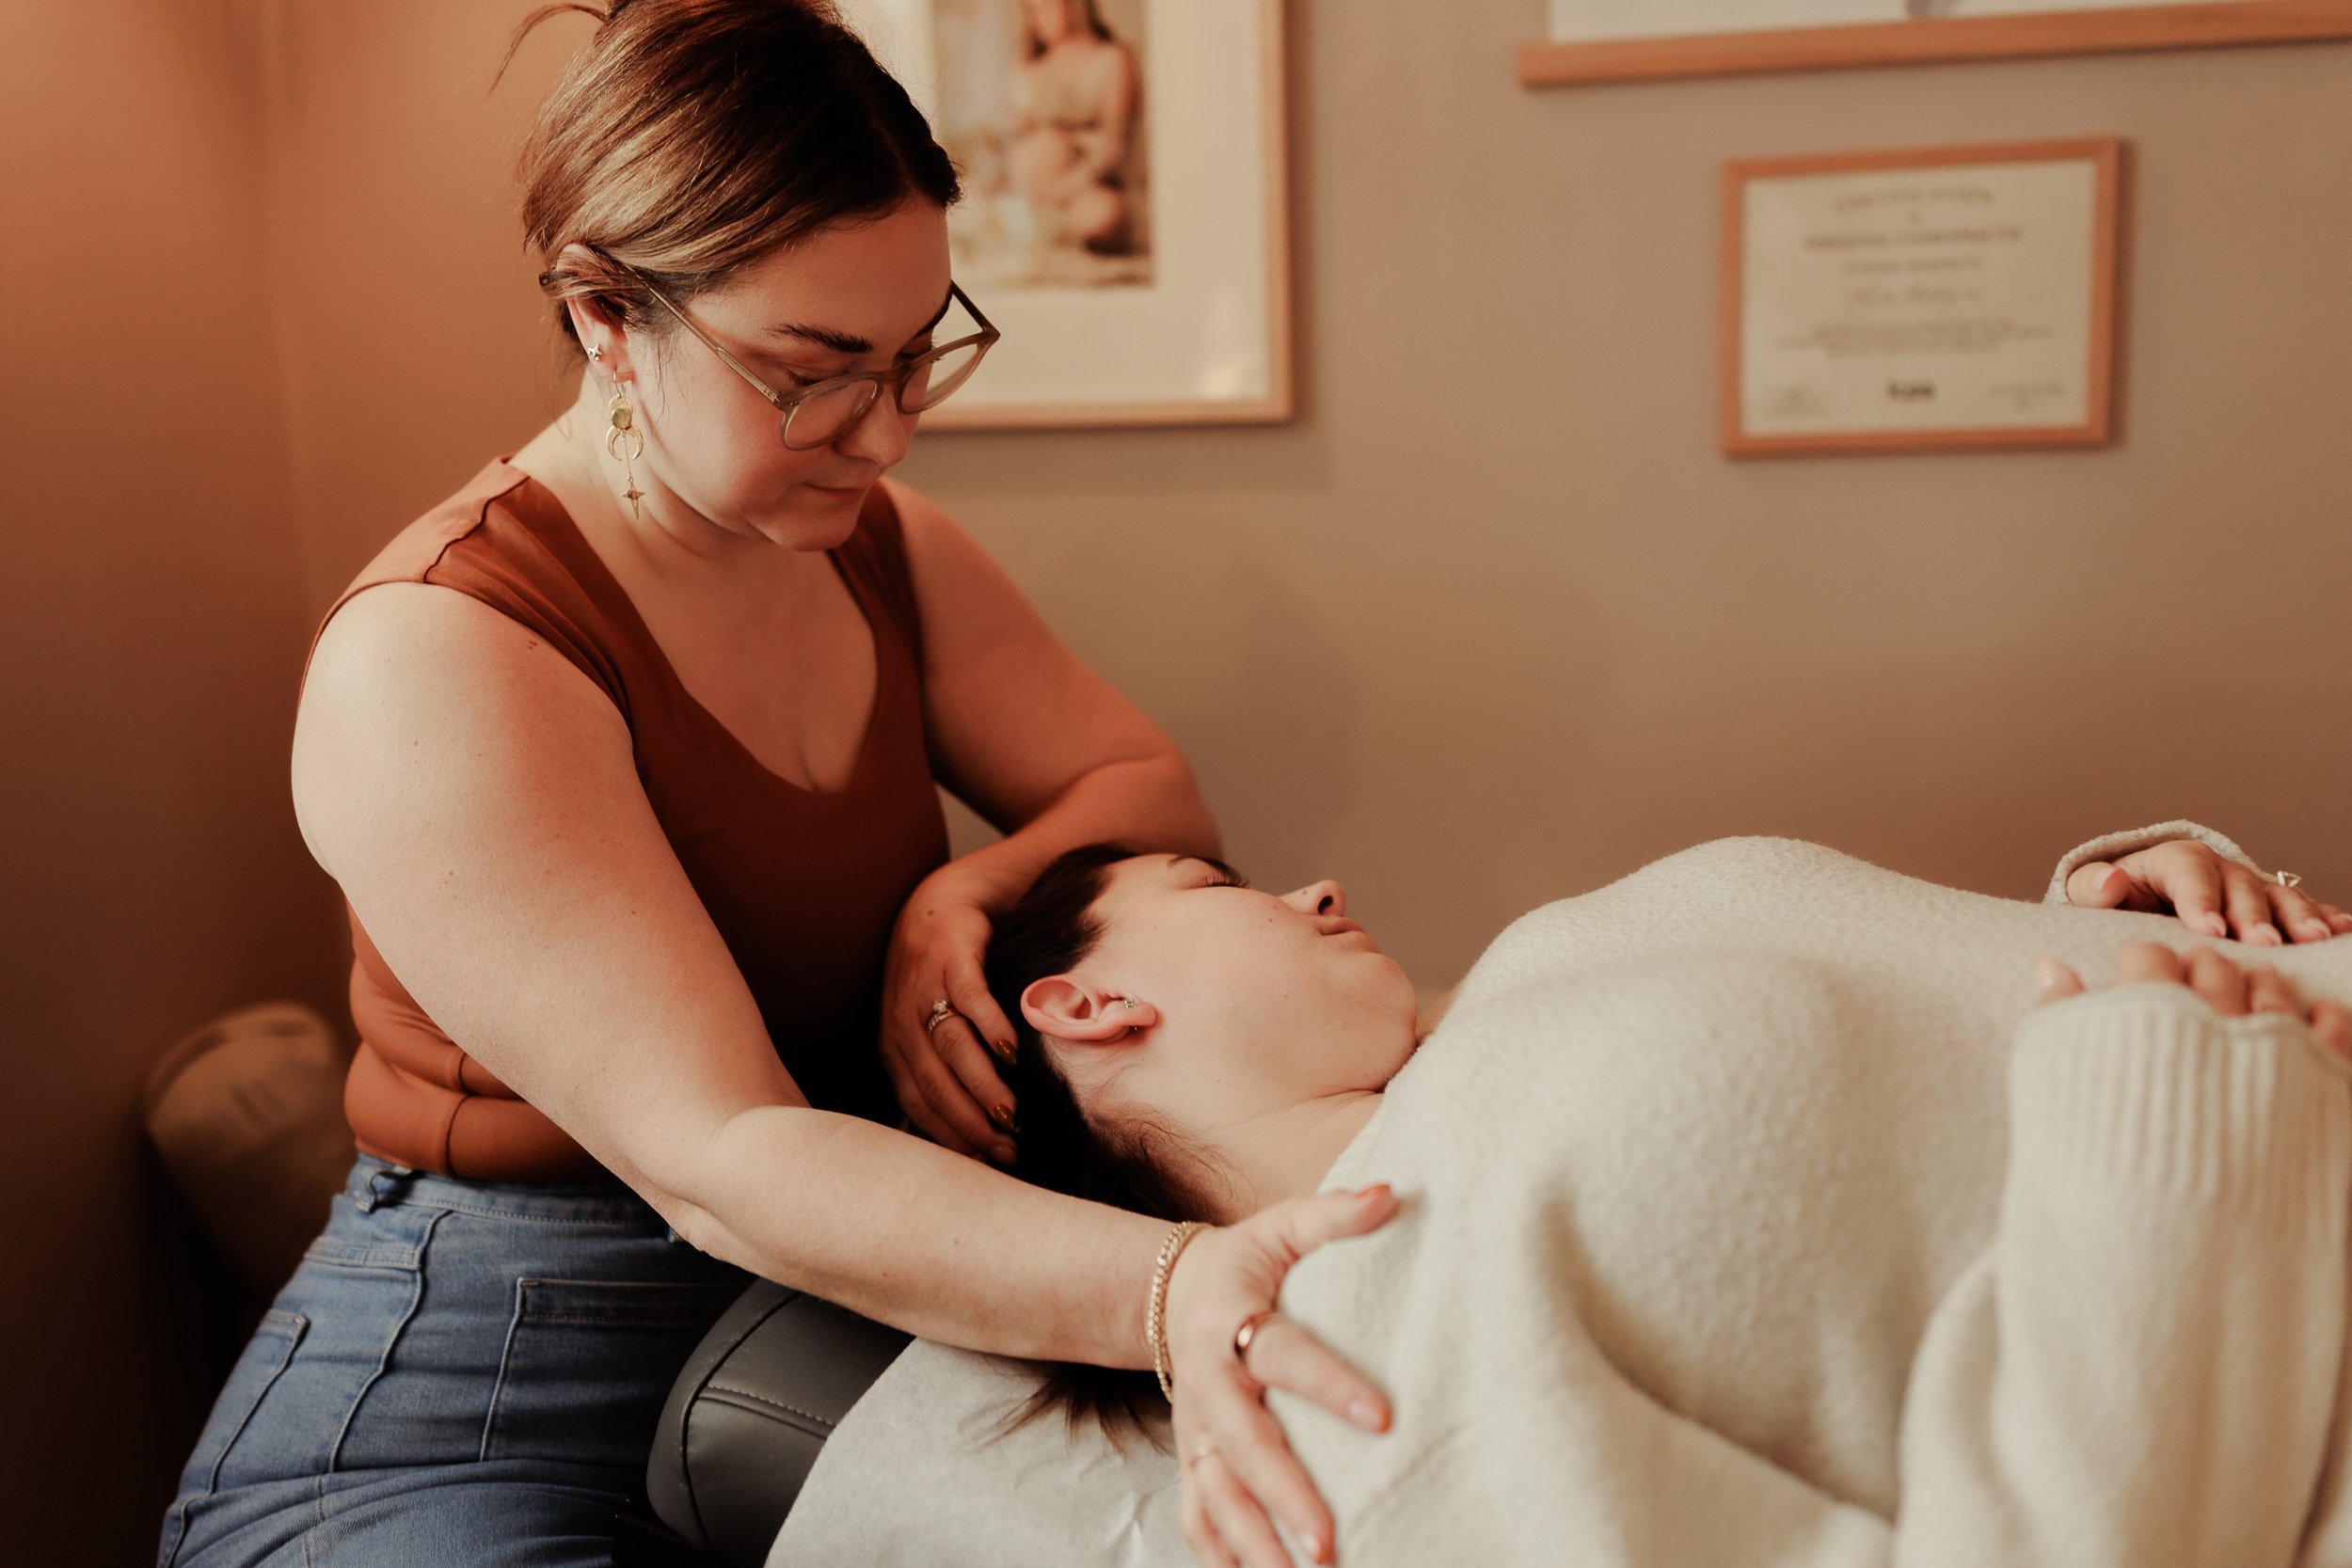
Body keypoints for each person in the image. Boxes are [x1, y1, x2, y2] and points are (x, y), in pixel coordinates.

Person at [157, 6, 1389, 1566]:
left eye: (916, 352)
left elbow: (1147, 788)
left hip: (822, 1322)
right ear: (606, 313)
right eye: (812, 371)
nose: (884, 431)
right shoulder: (440, 657)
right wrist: (1161, 1290)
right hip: (490, 1396)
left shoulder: (884, 548)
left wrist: (972, 887)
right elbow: (724, 1155)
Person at [961, 827, 2352, 1567]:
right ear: (1088, 1003)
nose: (1316, 883)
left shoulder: (1517, 991)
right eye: (1214, 880)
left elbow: (1902, 1125)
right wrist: (2181, 1148)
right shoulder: (1377, 1383)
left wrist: (2121, 906)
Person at [1009, 0, 1144, 261]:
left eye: (1046, 7)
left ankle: (1058, 232)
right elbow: (1020, 135)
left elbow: (1115, 146)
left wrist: (1066, 186)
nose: (1038, 19)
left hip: (1084, 189)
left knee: (1106, 215)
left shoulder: (1111, 58)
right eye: (1031, 11)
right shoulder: (1030, 67)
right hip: (1031, 197)